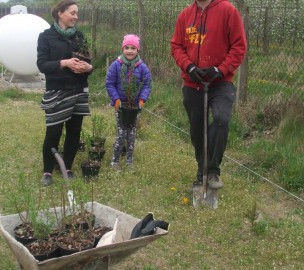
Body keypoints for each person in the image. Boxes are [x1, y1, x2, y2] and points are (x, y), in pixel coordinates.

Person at [170, 0, 247, 189]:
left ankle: (213, 171)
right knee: (197, 130)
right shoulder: (185, 15)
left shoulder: (228, 11)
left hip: (220, 83)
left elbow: (239, 46)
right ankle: (201, 172)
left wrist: (221, 69)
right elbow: (176, 46)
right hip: (193, 82)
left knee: (221, 119)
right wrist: (189, 66)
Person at [37, 0, 93, 186]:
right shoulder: (46, 37)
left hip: (78, 89)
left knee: (74, 132)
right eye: (73, 13)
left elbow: (88, 61)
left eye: (77, 13)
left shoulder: (80, 36)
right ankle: (47, 171)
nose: (76, 17)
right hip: (57, 90)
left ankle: (67, 167)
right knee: (53, 132)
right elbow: (42, 65)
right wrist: (64, 63)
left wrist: (88, 67)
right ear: (60, 13)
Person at [105, 34, 152, 170]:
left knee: (131, 135)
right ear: (122, 49)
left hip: (134, 107)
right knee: (121, 134)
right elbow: (109, 83)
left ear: (138, 50)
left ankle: (129, 162)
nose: (130, 51)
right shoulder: (116, 65)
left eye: (133, 48)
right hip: (120, 106)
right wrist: (116, 100)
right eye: (127, 47)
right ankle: (115, 161)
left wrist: (142, 100)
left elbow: (147, 84)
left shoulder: (142, 67)